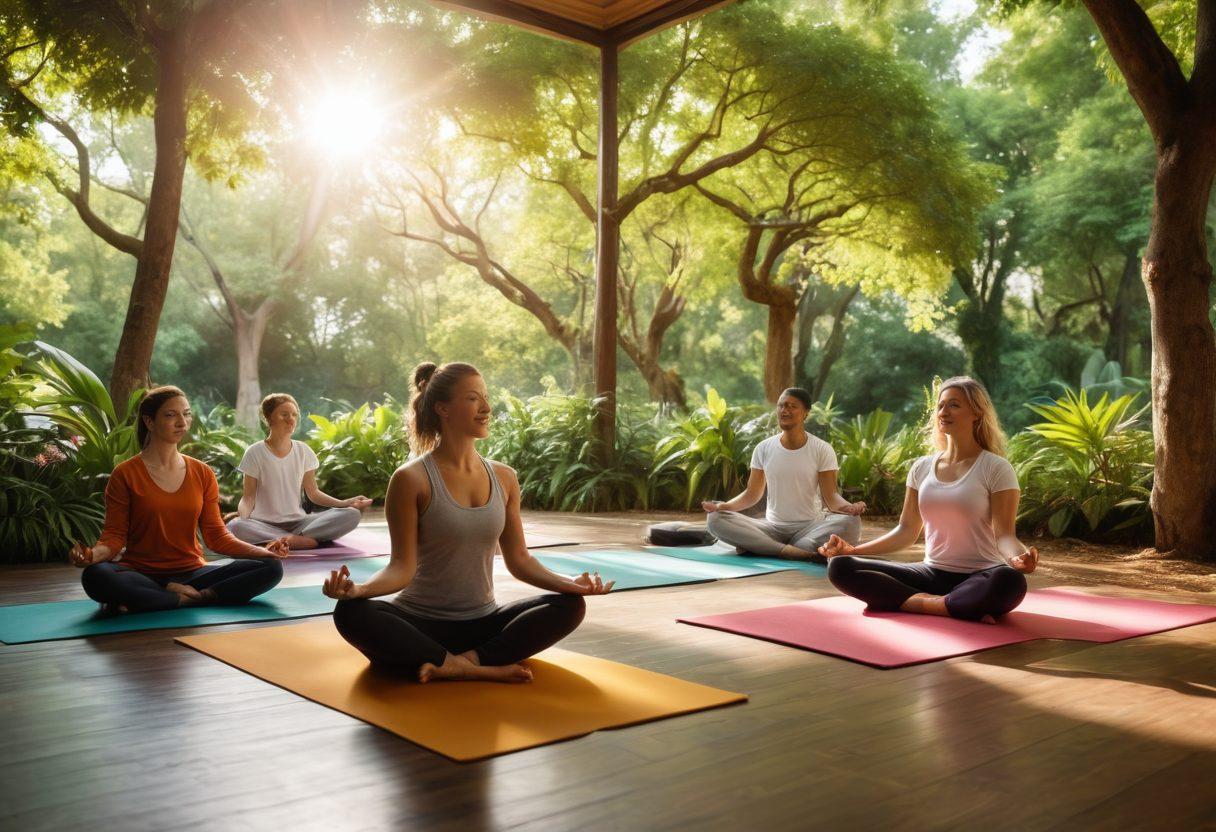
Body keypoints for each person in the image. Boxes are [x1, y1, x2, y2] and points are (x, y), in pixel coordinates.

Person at [323, 362, 614, 684]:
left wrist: (571, 583)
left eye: (486, 398)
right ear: (443, 408)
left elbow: (520, 560)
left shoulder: (505, 477)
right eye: (474, 399)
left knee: (570, 606)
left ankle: (458, 664)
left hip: (482, 623)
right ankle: (476, 668)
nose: (487, 408)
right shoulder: (411, 479)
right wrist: (358, 590)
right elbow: (401, 568)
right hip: (419, 623)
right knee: (352, 613)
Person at [819, 376, 1037, 623]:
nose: (944, 412)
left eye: (954, 405)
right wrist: (853, 550)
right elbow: (907, 531)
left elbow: (1005, 535)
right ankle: (945, 605)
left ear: (977, 413)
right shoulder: (921, 467)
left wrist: (1017, 558)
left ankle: (912, 602)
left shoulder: (996, 468)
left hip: (980, 576)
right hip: (930, 574)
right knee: (840, 566)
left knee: (1009, 581)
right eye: (941, 406)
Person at [69, 386, 288, 613]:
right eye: (171, 415)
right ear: (149, 422)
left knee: (271, 567)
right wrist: (91, 555)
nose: (182, 422)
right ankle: (175, 595)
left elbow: (216, 536)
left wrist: (265, 552)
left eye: (186, 414)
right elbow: (114, 538)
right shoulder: (125, 474)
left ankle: (180, 598)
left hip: (192, 572)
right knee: (96, 576)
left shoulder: (202, 473)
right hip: (140, 573)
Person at [703, 387, 865, 562]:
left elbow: (831, 496)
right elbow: (752, 494)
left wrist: (849, 508)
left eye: (792, 406)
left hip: (810, 528)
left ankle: (763, 547)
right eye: (781, 406)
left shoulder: (822, 449)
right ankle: (795, 552)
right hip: (771, 528)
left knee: (851, 522)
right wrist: (723, 507)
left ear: (806, 413)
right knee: (715, 519)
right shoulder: (763, 448)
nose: (784, 410)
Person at [226, 393, 371, 550]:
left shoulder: (303, 451)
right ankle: (295, 540)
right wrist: (243, 518)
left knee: (352, 514)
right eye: (284, 415)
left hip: (301, 523)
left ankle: (290, 539)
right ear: (269, 418)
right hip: (263, 523)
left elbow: (313, 493)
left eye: (294, 415)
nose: (291, 419)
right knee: (236, 526)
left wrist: (345, 503)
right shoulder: (255, 452)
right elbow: (248, 497)